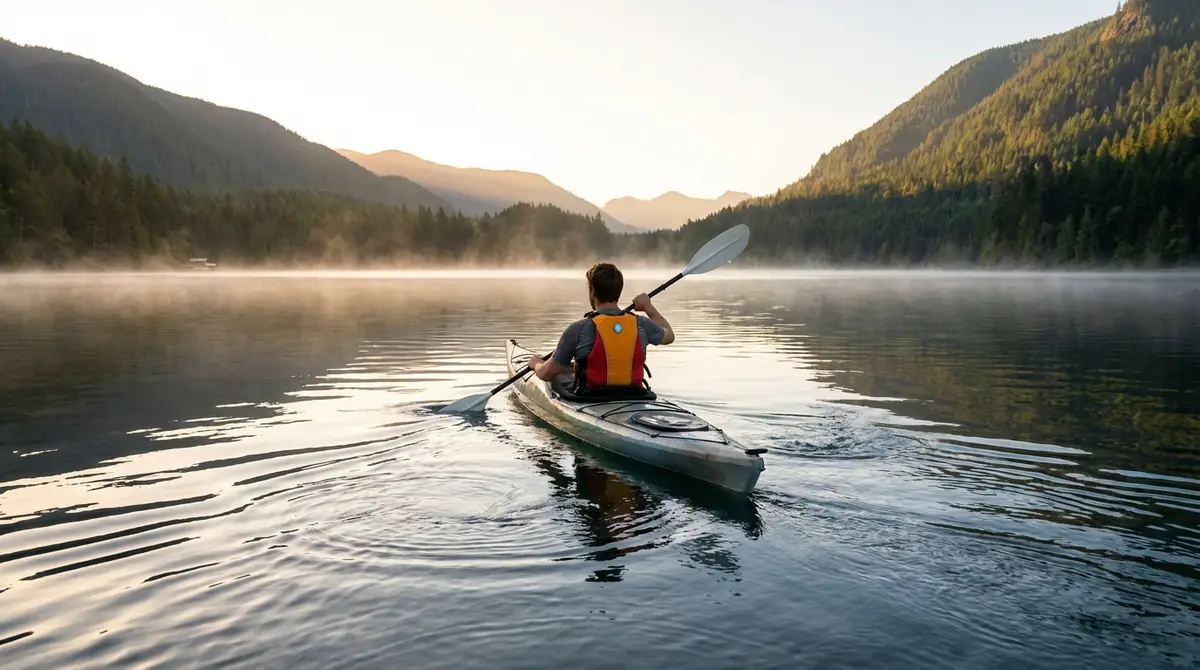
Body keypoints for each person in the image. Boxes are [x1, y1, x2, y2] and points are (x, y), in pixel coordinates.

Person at [527, 262, 674, 396]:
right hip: (635, 394)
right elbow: (669, 335)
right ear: (619, 291)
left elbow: (546, 373)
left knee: (558, 374)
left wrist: (536, 365)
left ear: (592, 291)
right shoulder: (641, 323)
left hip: (590, 398)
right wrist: (648, 307)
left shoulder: (578, 329)